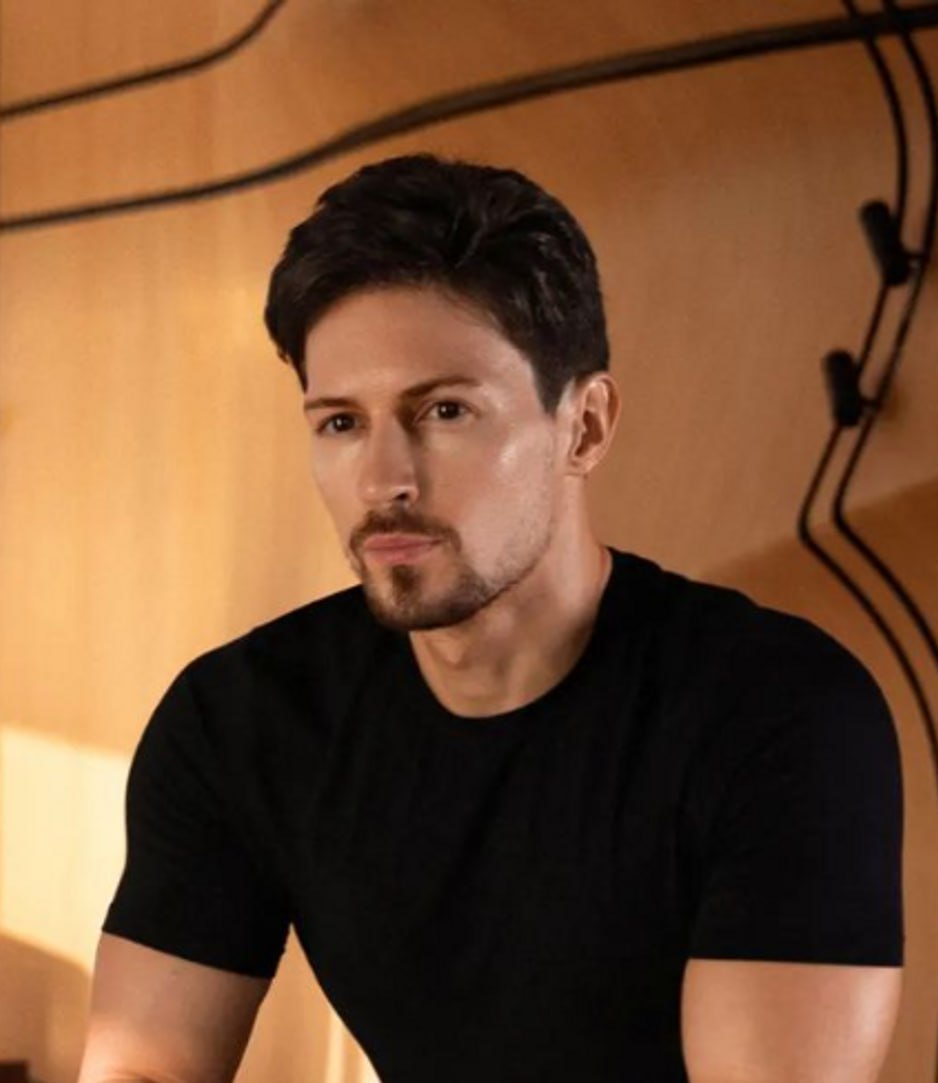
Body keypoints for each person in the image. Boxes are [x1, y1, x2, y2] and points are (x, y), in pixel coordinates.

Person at [78, 153, 904, 1083]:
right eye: (341, 422)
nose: (384, 480)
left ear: (584, 425)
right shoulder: (241, 721)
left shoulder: (780, 711)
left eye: (444, 410)